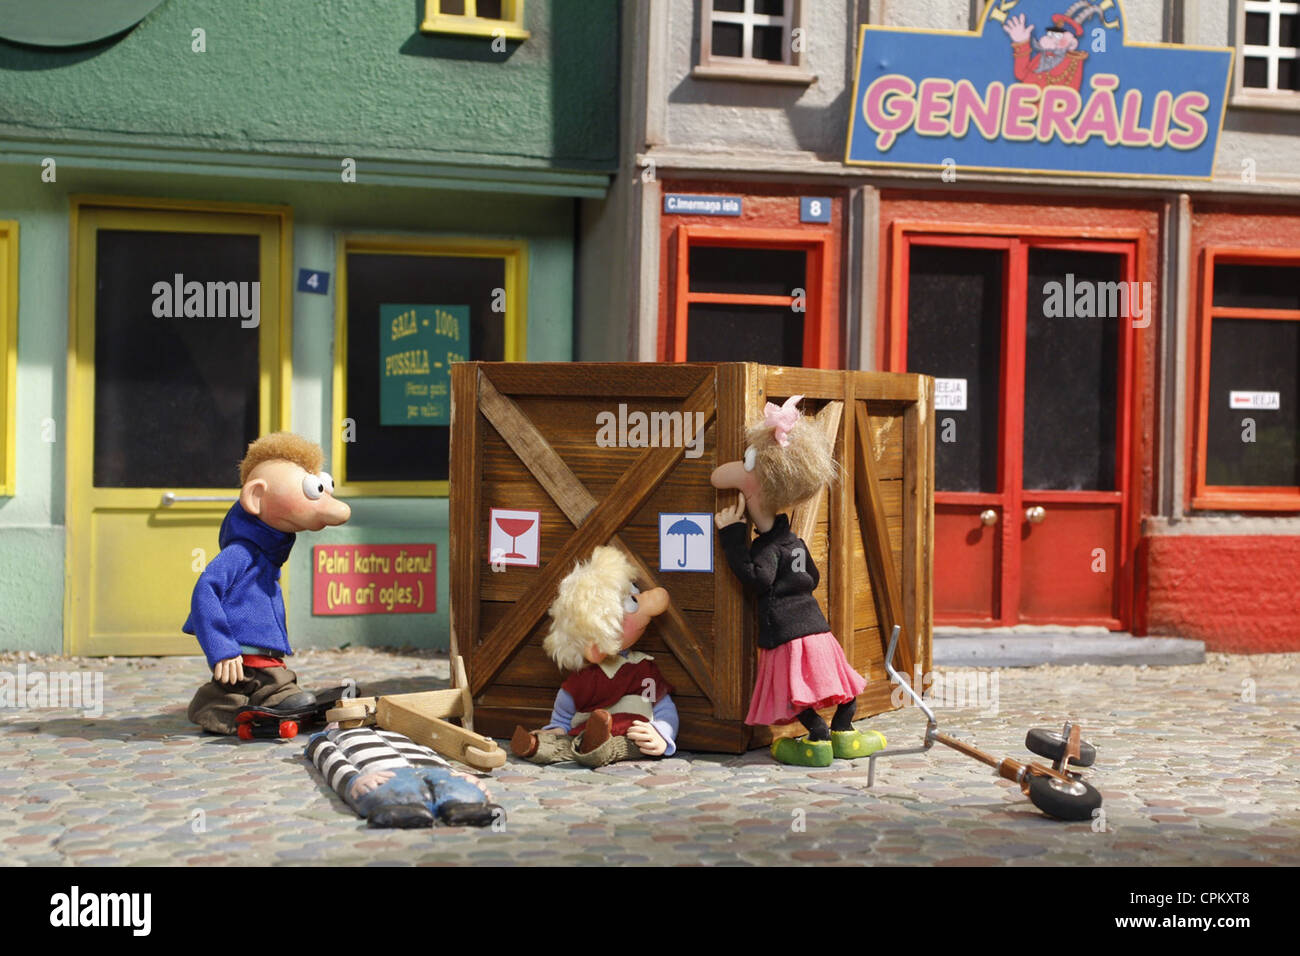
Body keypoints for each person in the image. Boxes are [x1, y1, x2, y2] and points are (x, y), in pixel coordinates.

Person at [711, 395, 886, 767]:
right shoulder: (795, 543)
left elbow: (756, 579)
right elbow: (813, 577)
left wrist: (729, 536)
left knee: (798, 694)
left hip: (786, 632)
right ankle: (843, 731)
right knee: (840, 684)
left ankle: (819, 739)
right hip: (816, 626)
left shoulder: (768, 548)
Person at [184, 433, 350, 734]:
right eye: (312, 491)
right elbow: (205, 591)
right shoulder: (239, 554)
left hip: (259, 653)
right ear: (256, 497)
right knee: (273, 683)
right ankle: (269, 700)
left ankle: (223, 704)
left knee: (244, 685)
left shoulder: (267, 554)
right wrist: (221, 647)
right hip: (244, 653)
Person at [510, 546, 679, 767]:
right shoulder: (585, 675)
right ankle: (535, 746)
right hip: (581, 733)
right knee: (566, 743)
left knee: (622, 746)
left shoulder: (643, 669)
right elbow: (563, 713)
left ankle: (592, 748)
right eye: (632, 602)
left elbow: (664, 708)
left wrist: (661, 733)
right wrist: (555, 729)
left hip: (631, 734)